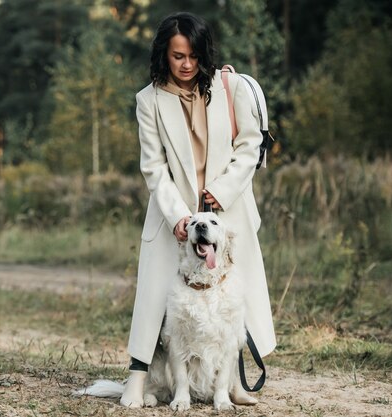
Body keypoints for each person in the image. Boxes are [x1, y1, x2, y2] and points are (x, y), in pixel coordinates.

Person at [120, 12, 277, 408]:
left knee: (230, 293)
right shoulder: (148, 101)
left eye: (192, 55)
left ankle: (234, 382)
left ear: (203, 53)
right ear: (164, 56)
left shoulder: (231, 86)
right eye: (177, 56)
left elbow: (250, 144)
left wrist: (222, 191)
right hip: (170, 212)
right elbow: (152, 167)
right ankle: (137, 379)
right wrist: (178, 216)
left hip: (228, 208)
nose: (186, 64)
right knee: (155, 296)